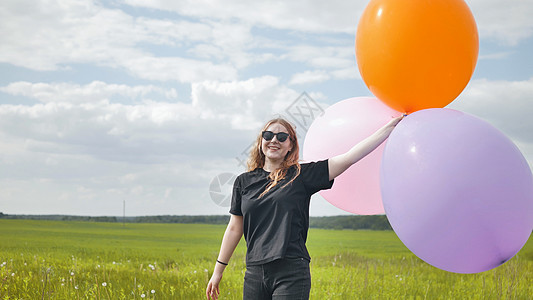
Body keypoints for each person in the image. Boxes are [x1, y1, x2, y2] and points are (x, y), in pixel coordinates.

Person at [206, 115, 403, 300]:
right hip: (255, 272)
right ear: (261, 142)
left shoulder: (301, 175)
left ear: (290, 146)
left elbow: (349, 158)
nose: (274, 140)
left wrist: (389, 128)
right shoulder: (243, 182)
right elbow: (234, 228)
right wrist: (218, 271)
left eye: (282, 137)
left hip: (291, 270)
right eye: (268, 135)